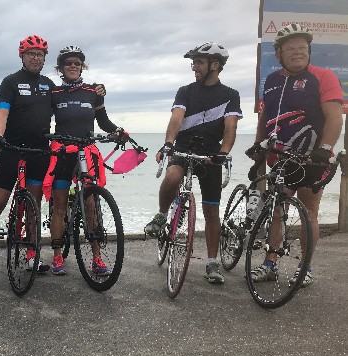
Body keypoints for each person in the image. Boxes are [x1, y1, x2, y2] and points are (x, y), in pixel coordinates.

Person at [0, 36, 106, 280]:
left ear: (45, 59)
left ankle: (32, 253)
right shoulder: (10, 82)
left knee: (34, 207)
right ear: (22, 56)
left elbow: (71, 104)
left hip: (39, 153)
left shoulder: (49, 87)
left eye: (40, 54)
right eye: (31, 53)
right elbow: (2, 113)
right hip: (10, 150)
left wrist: (97, 92)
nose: (35, 58)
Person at [248, 24, 343, 287]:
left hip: (312, 157)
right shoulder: (272, 80)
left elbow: (335, 117)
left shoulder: (323, 77)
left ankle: (305, 267)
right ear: (279, 53)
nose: (298, 52)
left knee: (308, 211)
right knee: (276, 210)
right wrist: (258, 145)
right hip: (279, 156)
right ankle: (270, 263)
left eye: (303, 47)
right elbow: (265, 117)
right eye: (291, 48)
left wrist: (324, 150)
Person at [144, 42, 242, 284]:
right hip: (183, 148)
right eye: (194, 62)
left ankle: (211, 263)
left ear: (215, 65)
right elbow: (176, 118)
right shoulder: (185, 91)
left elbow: (231, 127)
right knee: (173, 176)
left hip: (211, 154)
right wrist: (168, 143)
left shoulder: (230, 95)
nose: (194, 67)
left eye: (199, 62)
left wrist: (224, 151)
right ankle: (161, 215)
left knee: (211, 211)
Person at [45, 45, 130, 275]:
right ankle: (56, 257)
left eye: (77, 62)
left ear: (82, 66)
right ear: (61, 68)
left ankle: (96, 258)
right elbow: (42, 119)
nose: (73, 66)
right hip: (62, 153)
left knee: (91, 204)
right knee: (60, 206)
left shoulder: (93, 92)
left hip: (85, 152)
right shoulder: (54, 93)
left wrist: (118, 131)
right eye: (68, 63)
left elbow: (103, 122)